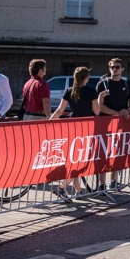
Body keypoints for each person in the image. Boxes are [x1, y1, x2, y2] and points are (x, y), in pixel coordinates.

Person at [50, 67, 100, 198]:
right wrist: (100, 98)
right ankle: (62, 187)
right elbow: (96, 111)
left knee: (75, 159)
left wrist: (49, 122)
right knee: (82, 161)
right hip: (87, 127)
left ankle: (78, 190)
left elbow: (60, 110)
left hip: (72, 126)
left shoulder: (69, 91)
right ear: (87, 78)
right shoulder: (91, 91)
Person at [96, 58, 130, 191]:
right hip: (105, 123)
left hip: (121, 124)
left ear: (122, 69)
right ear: (109, 69)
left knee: (118, 152)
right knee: (104, 154)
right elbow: (99, 106)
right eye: (112, 67)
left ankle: (113, 181)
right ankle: (101, 184)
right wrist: (117, 113)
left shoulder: (127, 84)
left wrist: (127, 111)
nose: (115, 69)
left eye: (117, 67)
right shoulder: (103, 84)